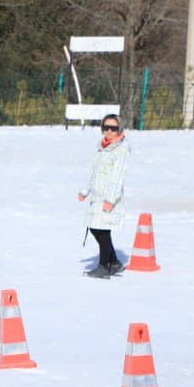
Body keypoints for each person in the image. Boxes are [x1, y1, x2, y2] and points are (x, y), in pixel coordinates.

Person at [77, 113, 130, 279]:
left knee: (103, 231)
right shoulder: (101, 147)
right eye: (106, 127)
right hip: (96, 197)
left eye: (113, 128)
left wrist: (111, 200)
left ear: (119, 129)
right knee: (94, 227)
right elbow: (93, 171)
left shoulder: (121, 149)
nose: (109, 131)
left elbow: (118, 177)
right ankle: (113, 262)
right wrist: (84, 191)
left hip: (109, 198)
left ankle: (104, 266)